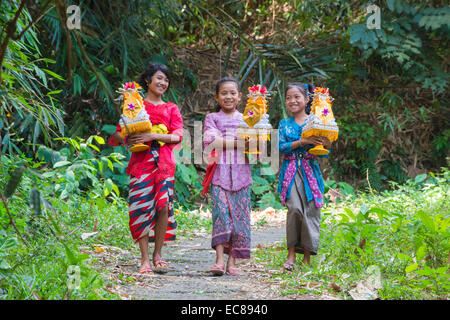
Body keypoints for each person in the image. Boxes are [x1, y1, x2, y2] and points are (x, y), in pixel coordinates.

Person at [109, 63, 183, 275]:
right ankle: (144, 260)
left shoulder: (171, 108)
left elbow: (178, 135)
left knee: (163, 208)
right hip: (141, 165)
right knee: (140, 209)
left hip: (165, 165)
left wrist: (152, 136)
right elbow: (115, 138)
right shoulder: (134, 105)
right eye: (159, 78)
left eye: (166, 80)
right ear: (148, 80)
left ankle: (158, 255)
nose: (163, 83)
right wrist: (124, 131)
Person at [278, 82, 331, 270]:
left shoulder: (317, 121)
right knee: (294, 210)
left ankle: (307, 257)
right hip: (291, 171)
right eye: (288, 98)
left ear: (307, 99)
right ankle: (291, 254)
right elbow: (280, 146)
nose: (292, 101)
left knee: (310, 212)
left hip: (310, 172)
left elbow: (325, 151)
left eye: (297, 97)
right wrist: (302, 141)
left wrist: (324, 143)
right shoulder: (284, 124)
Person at [203, 77, 253, 276]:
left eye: (233, 93)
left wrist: (228, 141)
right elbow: (211, 140)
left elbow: (257, 145)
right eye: (224, 93)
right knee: (221, 216)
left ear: (240, 96)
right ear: (217, 96)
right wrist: (240, 142)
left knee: (239, 219)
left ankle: (232, 263)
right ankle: (219, 260)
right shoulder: (212, 118)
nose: (229, 97)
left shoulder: (248, 119)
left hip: (242, 176)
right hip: (219, 175)